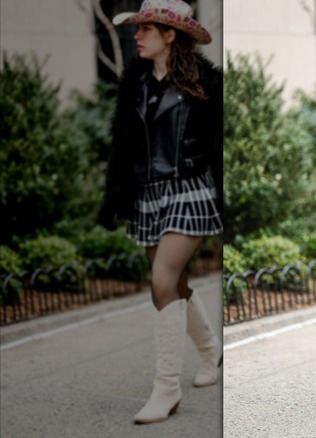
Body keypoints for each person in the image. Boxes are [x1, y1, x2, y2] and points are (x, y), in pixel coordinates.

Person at [97, 0, 223, 424]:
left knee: (161, 279)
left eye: (145, 28)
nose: (137, 36)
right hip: (147, 196)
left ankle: (166, 390)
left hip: (189, 190)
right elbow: (122, 147)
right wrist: (115, 196)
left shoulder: (206, 84)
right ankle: (210, 352)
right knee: (175, 282)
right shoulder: (135, 84)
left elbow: (221, 146)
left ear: (170, 35)